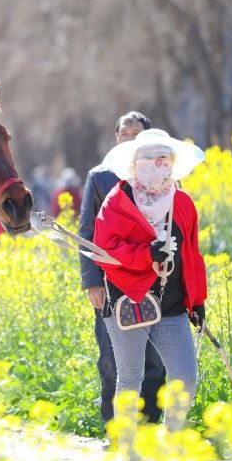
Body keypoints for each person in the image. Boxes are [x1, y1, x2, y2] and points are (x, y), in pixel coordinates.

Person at [93, 128, 207, 432]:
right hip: (129, 300)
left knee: (185, 378)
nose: (157, 164)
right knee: (130, 377)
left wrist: (197, 301)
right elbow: (105, 251)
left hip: (172, 306)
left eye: (163, 158)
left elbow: (192, 255)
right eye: (148, 158)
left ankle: (170, 443)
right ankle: (129, 449)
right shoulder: (117, 200)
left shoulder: (182, 202)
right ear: (134, 163)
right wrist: (146, 254)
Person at [78, 111, 166, 425]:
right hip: (110, 281)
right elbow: (86, 233)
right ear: (116, 139)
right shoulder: (99, 176)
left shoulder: (164, 174)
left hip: (154, 281)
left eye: (136, 134)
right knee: (110, 357)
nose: (129, 139)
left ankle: (151, 422)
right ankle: (114, 426)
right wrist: (92, 283)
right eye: (124, 134)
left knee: (155, 357)